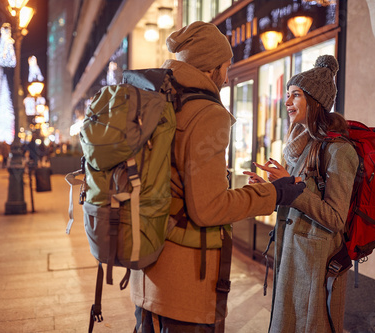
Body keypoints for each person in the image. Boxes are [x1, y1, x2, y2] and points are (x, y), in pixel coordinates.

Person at [130, 21, 305, 332]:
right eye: (226, 65)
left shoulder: (159, 100)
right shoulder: (207, 113)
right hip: (185, 286)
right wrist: (274, 194)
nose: (228, 76)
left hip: (148, 269)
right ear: (211, 68)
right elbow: (208, 207)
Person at [245, 55, 359, 332]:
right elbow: (298, 198)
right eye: (287, 95)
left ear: (315, 101)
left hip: (316, 265)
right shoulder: (304, 147)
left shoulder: (339, 150)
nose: (287, 102)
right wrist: (271, 189)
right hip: (295, 256)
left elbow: (334, 218)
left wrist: (292, 189)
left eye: (295, 95)